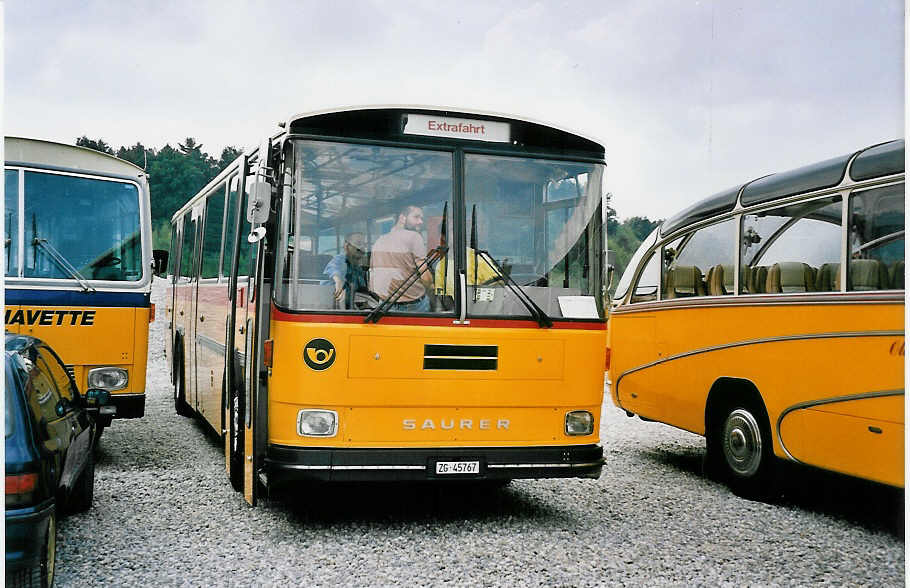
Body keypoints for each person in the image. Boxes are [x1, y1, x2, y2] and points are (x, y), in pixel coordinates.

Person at [369, 205, 433, 312]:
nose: (420, 221)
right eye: (416, 217)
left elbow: (373, 274)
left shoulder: (379, 241)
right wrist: (432, 288)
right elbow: (424, 274)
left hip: (384, 305)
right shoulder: (414, 237)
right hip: (412, 306)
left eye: (421, 218)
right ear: (402, 218)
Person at [322, 232, 368, 309]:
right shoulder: (341, 259)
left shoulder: (359, 269)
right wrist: (338, 281)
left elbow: (361, 291)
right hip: (332, 306)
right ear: (346, 246)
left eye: (364, 244)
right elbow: (333, 268)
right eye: (358, 243)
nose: (362, 248)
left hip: (352, 307)